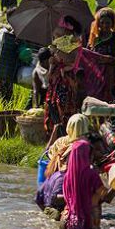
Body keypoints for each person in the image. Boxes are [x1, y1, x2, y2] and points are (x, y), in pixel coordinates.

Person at [60, 140, 112, 229]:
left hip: (69, 222)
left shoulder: (67, 176)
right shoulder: (91, 174)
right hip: (88, 223)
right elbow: (104, 195)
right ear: (87, 156)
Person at [44, 16, 84, 144]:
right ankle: (55, 133)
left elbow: (75, 62)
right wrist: (51, 66)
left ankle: (65, 134)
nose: (57, 34)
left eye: (62, 29)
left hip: (67, 79)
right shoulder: (59, 43)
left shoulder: (75, 42)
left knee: (64, 105)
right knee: (52, 104)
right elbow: (54, 60)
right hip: (56, 78)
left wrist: (66, 68)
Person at [88, 8, 115, 102]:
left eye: (108, 22)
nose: (105, 25)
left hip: (113, 71)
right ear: (98, 23)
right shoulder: (95, 38)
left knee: (113, 95)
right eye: (102, 22)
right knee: (97, 95)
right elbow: (87, 54)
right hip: (97, 72)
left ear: (112, 23)